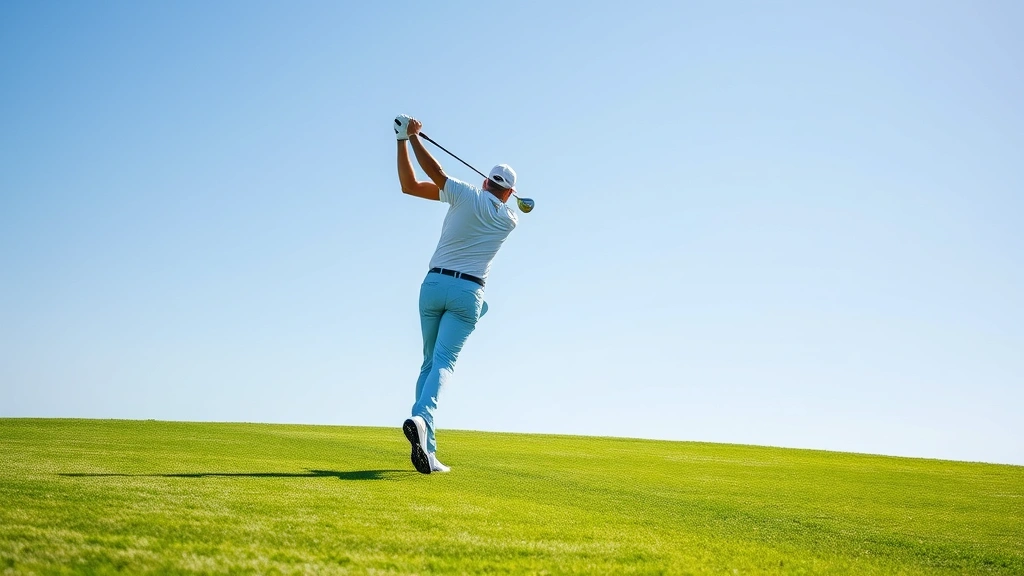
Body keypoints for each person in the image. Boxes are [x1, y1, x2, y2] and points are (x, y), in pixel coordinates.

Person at [393, 114, 519, 474]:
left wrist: (407, 138)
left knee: (428, 362)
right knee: (443, 363)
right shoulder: (509, 219)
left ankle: (428, 452)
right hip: (467, 294)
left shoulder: (464, 195)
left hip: (432, 287)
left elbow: (419, 180)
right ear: (509, 193)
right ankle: (421, 421)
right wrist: (410, 139)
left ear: (484, 181)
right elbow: (421, 182)